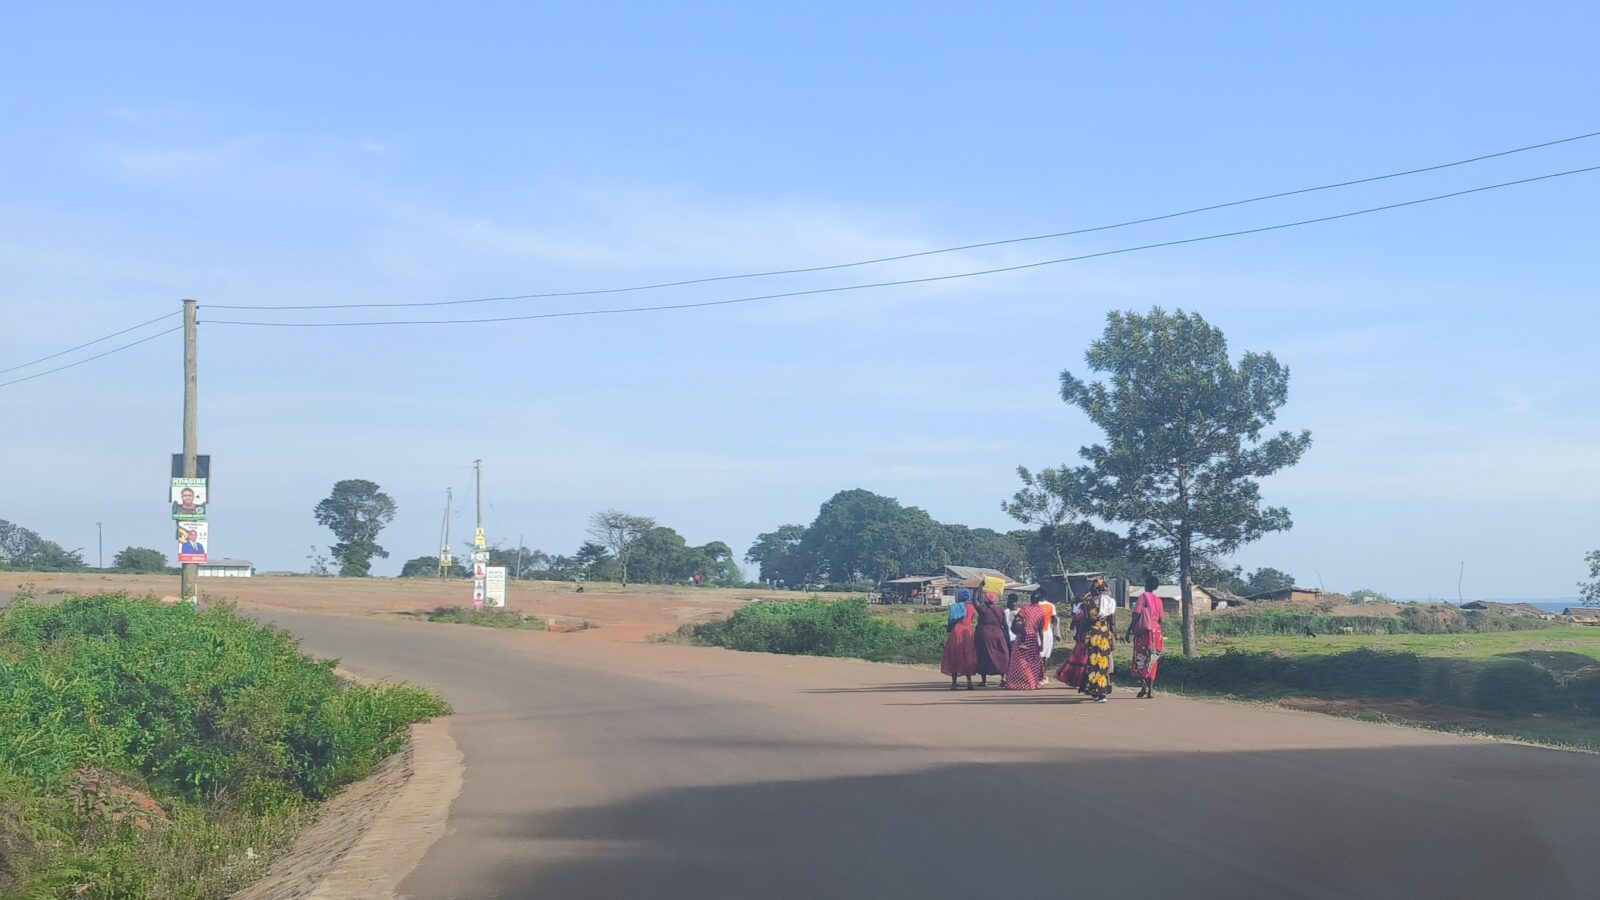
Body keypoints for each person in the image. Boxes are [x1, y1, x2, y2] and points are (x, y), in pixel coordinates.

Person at [1126, 576, 1165, 699]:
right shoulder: (1159, 601)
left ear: (1145, 585)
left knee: (1140, 658)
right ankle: (1151, 690)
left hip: (1143, 633)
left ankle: (1143, 686)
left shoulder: (1142, 598)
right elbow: (1161, 620)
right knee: (1152, 660)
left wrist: (1129, 630)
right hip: (1156, 634)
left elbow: (1136, 615)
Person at [971, 589, 1011, 688]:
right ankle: (1003, 679)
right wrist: (1007, 637)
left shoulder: (983, 610)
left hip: (983, 635)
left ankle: (984, 681)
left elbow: (974, 600)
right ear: (995, 600)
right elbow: (1005, 625)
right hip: (998, 635)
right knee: (1002, 656)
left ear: (985, 600)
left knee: (983, 656)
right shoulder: (1000, 610)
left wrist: (978, 588)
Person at [1005, 597, 1046, 689]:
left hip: (1021, 637)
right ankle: (1030, 682)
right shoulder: (1041, 612)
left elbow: (1017, 622)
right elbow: (1040, 630)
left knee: (1018, 660)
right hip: (1032, 638)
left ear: (1031, 599)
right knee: (1031, 661)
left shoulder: (1024, 610)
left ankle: (1014, 683)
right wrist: (1042, 644)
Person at [941, 591, 979, 690]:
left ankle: (954, 683)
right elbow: (972, 619)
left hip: (957, 631)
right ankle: (969, 682)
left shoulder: (955, 607)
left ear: (959, 597)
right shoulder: (971, 607)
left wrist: (949, 629)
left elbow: (950, 620)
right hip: (968, 631)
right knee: (968, 656)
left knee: (955, 655)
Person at [1032, 592, 1057, 666]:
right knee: (1041, 656)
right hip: (1041, 633)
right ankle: (1041, 672)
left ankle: (1041, 671)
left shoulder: (1049, 606)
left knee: (1042, 656)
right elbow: (1054, 620)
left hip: (1042, 632)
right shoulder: (1049, 605)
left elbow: (1054, 619)